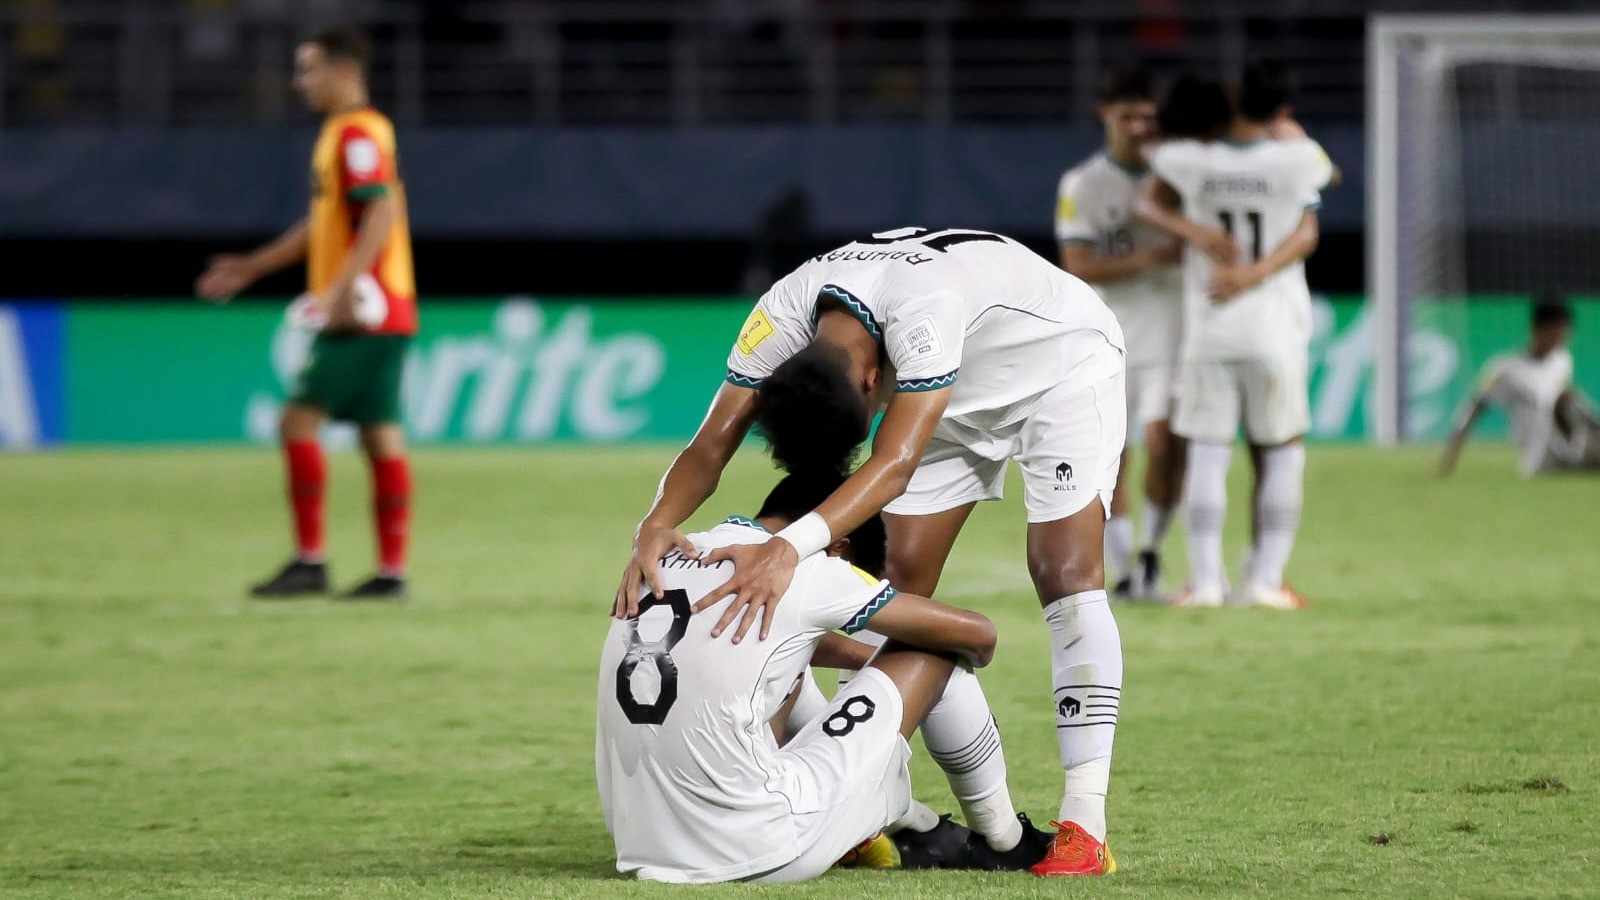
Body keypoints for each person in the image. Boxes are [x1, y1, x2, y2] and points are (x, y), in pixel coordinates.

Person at [615, 226, 1127, 877]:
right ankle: (868, 806)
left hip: (1060, 366)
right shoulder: (780, 314)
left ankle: (1086, 824)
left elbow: (895, 462)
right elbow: (711, 441)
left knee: (1064, 572)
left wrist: (787, 549)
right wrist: (654, 525)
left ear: (869, 381)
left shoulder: (924, 311)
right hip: (941, 392)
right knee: (900, 591)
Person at [597, 470, 1007, 883]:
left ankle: (914, 827)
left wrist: (863, 660)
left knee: (782, 668)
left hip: (642, 845)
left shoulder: (666, 553)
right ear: (838, 544)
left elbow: (754, 640)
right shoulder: (809, 569)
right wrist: (886, 660)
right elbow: (978, 635)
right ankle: (1002, 838)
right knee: (929, 650)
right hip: (761, 850)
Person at [196, 29, 417, 599]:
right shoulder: (344, 134)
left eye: (308, 69)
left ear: (343, 70)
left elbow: (380, 214)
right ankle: (389, 574)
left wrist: (343, 288)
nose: (300, 82)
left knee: (297, 420)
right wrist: (252, 266)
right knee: (380, 435)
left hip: (364, 312)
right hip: (385, 308)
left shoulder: (359, 133)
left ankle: (310, 561)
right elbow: (322, 225)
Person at [1137, 59, 1333, 610]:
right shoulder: (1299, 158)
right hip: (1275, 329)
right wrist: (1253, 274)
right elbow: (1312, 220)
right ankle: (1266, 580)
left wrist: (1195, 230)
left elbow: (1147, 197)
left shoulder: (1189, 160)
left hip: (1210, 326)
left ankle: (1205, 582)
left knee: (1206, 451)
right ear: (1281, 109)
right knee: (1282, 451)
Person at [1056, 65, 1184, 600]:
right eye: (1127, 115)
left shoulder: (1180, 175)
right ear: (1105, 116)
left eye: (1148, 116)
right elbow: (1077, 262)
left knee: (1165, 442)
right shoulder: (1083, 184)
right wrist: (1151, 255)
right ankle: (1123, 563)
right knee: (1114, 453)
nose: (1139, 126)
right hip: (1107, 335)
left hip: (1175, 333)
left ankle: (1151, 554)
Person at [1439, 298, 1600, 477]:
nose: (1560, 339)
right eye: (1556, 332)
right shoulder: (1505, 369)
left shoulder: (1562, 360)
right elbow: (1471, 411)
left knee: (1574, 401)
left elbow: (1564, 411)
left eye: (1564, 333)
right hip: (1539, 458)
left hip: (1568, 447)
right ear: (1537, 330)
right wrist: (1449, 461)